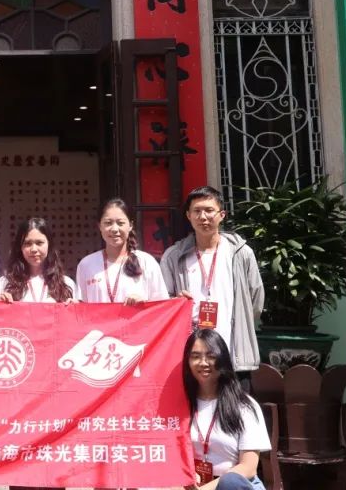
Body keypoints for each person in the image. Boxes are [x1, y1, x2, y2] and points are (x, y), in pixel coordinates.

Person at [160, 187, 264, 379]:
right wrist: (176, 301)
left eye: (209, 210)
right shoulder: (174, 256)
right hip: (192, 354)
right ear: (188, 216)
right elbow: (163, 302)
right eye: (197, 211)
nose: (203, 217)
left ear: (222, 214)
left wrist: (242, 323)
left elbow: (255, 300)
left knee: (235, 399)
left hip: (233, 352)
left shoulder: (241, 253)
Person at [182, 328, 271, 490]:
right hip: (193, 484)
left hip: (233, 485)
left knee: (230, 481)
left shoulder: (244, 406)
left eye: (211, 356)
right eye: (195, 356)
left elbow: (249, 467)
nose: (203, 362)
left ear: (222, 360)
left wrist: (206, 489)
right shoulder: (180, 405)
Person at [76, 198, 169, 305]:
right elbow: (81, 309)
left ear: (130, 225)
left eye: (120, 223)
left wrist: (144, 304)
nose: (114, 229)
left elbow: (162, 307)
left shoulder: (147, 262)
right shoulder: (86, 264)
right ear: (99, 226)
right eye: (108, 223)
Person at [0, 217, 77, 303]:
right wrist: (1, 304)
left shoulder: (66, 284)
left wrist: (73, 308)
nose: (34, 249)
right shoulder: (5, 283)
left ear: (49, 245)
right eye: (28, 243)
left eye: (39, 243)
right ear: (20, 247)